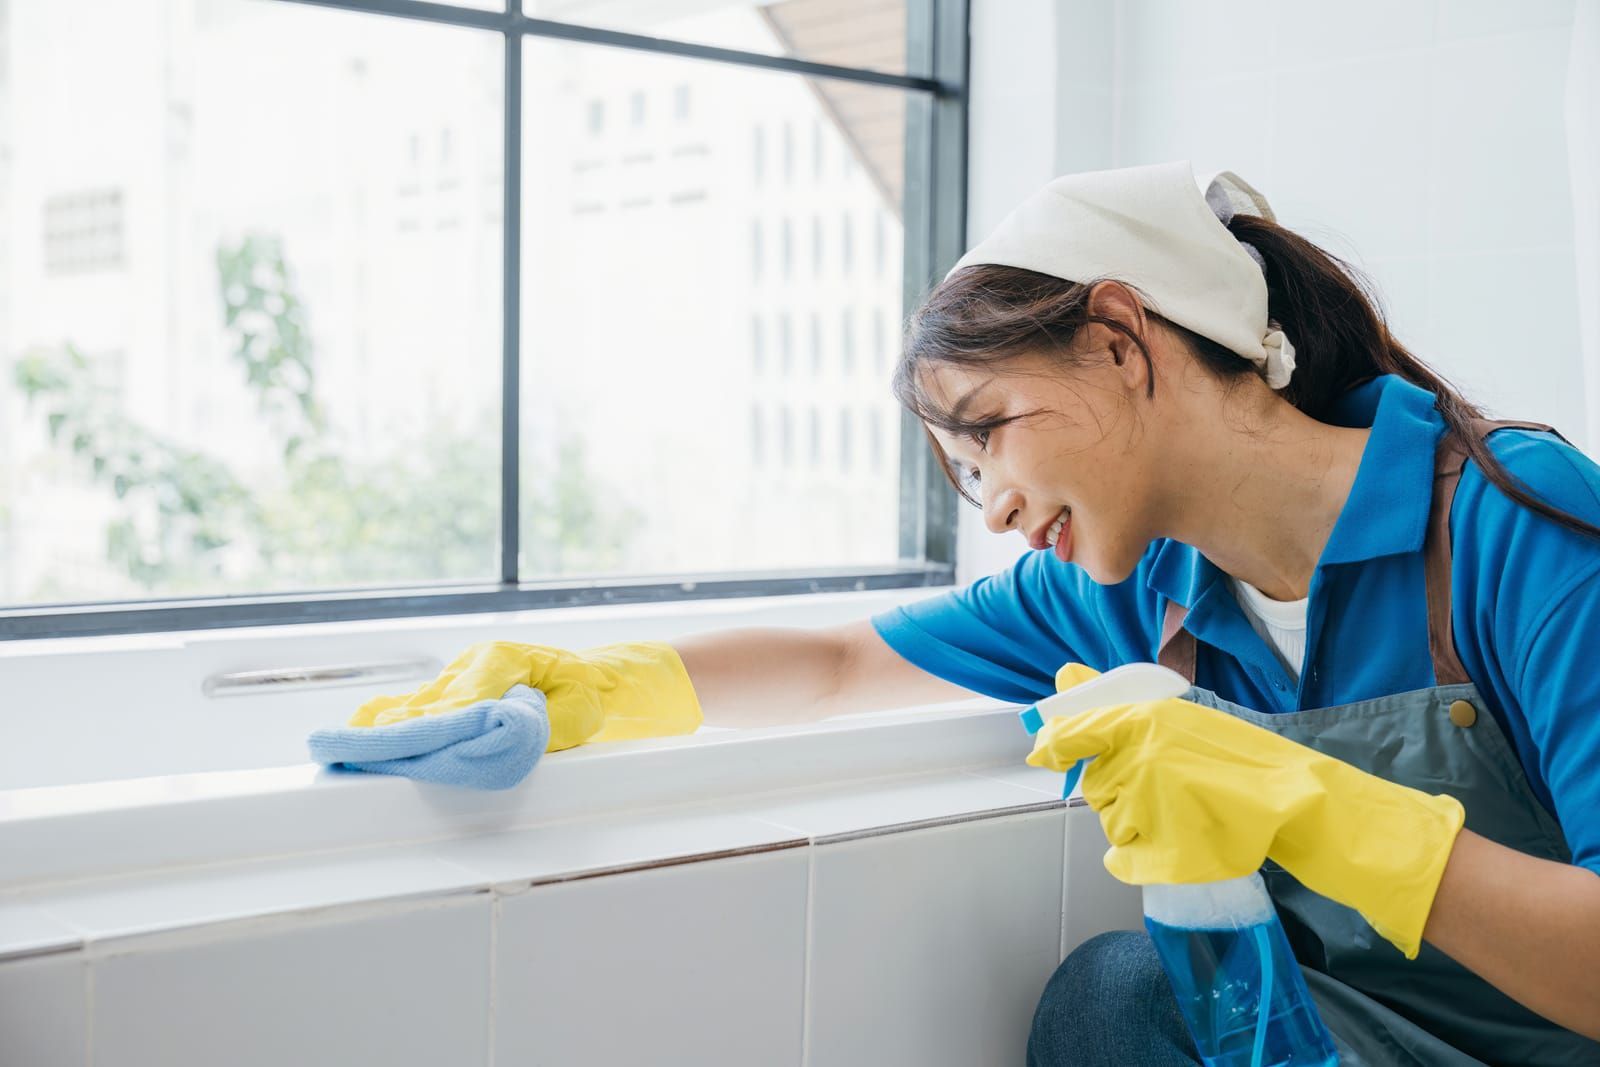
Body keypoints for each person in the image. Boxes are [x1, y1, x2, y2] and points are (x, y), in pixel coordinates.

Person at [360, 162, 1600, 1063]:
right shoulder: (1131, 587)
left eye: (989, 432)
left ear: (1120, 338)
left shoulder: (1508, 519)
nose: (994, 507)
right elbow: (841, 664)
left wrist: (1311, 803)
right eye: (961, 469)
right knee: (1117, 996)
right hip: (1372, 1044)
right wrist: (589, 682)